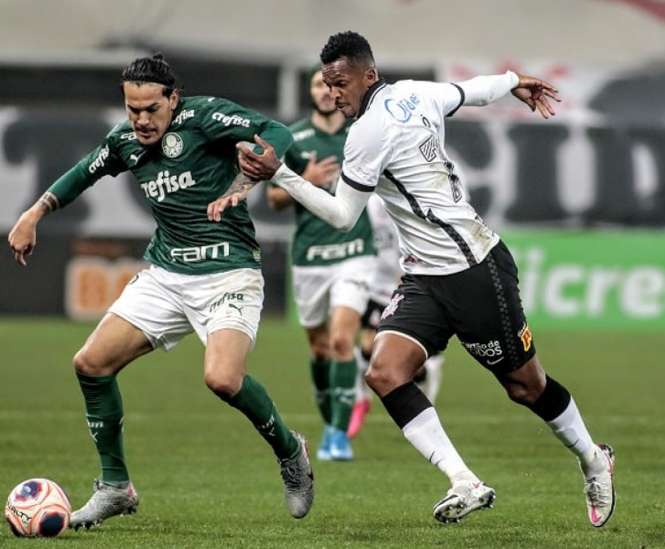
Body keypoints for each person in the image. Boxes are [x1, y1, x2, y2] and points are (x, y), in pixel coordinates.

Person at [209, 32, 615, 527]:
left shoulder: (366, 134)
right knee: (383, 372)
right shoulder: (416, 92)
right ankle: (463, 481)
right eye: (327, 85)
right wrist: (513, 82)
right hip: (424, 275)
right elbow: (471, 92)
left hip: (474, 269)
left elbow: (341, 215)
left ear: (368, 75)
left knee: (526, 387)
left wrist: (285, 176)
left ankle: (594, 458)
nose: (335, 94)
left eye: (341, 83)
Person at [7, 54, 314, 529]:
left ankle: (291, 451)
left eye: (152, 108)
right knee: (90, 364)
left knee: (223, 380)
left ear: (173, 98)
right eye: (133, 110)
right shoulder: (125, 141)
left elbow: (277, 132)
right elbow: (82, 174)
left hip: (229, 272)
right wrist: (33, 214)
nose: (142, 120)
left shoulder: (204, 116)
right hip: (166, 275)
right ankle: (115, 487)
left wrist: (246, 177)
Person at [266, 68, 376, 461]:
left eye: (332, 84)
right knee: (319, 348)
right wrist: (304, 179)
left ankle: (337, 434)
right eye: (318, 84)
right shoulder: (293, 138)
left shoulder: (361, 132)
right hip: (311, 255)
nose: (327, 91)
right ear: (310, 92)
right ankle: (331, 420)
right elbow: (273, 200)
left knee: (342, 340)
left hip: (355, 251)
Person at [347, 194, 444, 439]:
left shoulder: (411, 197)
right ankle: (361, 401)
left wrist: (411, 272)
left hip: (412, 282)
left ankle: (425, 408)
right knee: (368, 346)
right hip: (377, 283)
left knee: (413, 363)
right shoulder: (368, 199)